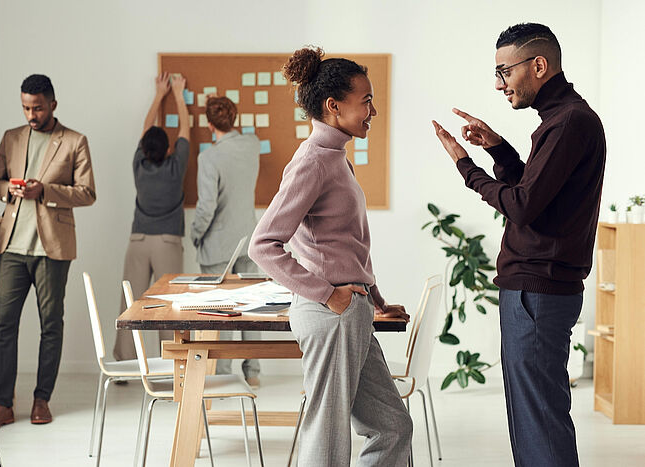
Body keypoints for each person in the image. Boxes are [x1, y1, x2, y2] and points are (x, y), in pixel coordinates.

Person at [432, 23, 606, 466]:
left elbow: (523, 206)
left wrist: (465, 166)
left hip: (538, 290)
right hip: (540, 289)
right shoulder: (562, 120)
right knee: (536, 418)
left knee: (539, 422)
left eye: (504, 71)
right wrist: (499, 148)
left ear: (539, 66)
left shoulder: (567, 123)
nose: (498, 83)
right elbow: (541, 197)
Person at [249, 46, 412, 466]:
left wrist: (375, 299)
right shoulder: (313, 162)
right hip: (331, 314)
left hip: (352, 312)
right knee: (328, 432)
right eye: (366, 101)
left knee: (393, 425)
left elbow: (348, 243)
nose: (373, 110)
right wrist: (327, 294)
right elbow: (263, 245)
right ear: (333, 106)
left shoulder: (336, 157)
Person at [0, 74, 96, 427]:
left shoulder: (75, 141)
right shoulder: (12, 138)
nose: (31, 114)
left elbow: (87, 193)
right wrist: (10, 190)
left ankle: (41, 399)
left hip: (52, 249)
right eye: (26, 107)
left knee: (51, 325)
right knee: (4, 326)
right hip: (13, 246)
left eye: (37, 107)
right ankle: (2, 403)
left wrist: (45, 191)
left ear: (52, 105)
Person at [113, 72, 190, 361]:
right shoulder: (176, 167)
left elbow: (147, 128)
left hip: (138, 240)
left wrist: (160, 93)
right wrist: (179, 94)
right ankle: (171, 361)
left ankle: (123, 360)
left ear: (144, 149)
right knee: (170, 304)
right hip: (168, 242)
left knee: (130, 302)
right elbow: (186, 130)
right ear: (170, 150)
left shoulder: (139, 165)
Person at [190, 95, 262, 386]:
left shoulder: (208, 157)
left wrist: (195, 234)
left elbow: (206, 207)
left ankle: (222, 374)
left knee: (221, 309)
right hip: (249, 238)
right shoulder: (252, 145)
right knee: (251, 306)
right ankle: (253, 372)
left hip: (218, 244)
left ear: (209, 125)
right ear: (234, 119)